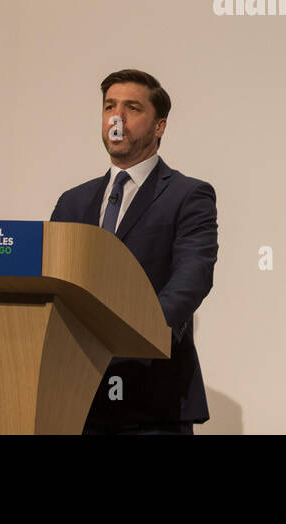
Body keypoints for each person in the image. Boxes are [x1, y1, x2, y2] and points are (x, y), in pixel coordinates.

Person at [50, 69, 218, 434]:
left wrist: (131, 334)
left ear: (159, 127)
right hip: (74, 396)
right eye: (110, 107)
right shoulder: (73, 202)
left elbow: (193, 276)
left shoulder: (188, 196)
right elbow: (52, 281)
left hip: (153, 396)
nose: (116, 118)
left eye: (131, 108)